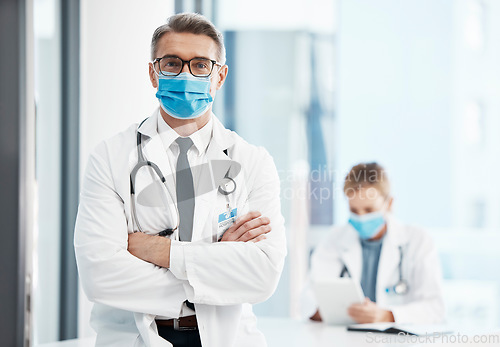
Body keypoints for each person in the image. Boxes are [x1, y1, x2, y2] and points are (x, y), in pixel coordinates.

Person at [74, 13, 286, 347]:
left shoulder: (252, 161)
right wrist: (216, 264)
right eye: (172, 63)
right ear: (153, 73)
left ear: (220, 77)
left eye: (201, 65)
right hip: (133, 337)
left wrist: (161, 251)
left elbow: (263, 275)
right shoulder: (111, 157)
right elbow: (100, 275)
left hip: (228, 337)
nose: (186, 74)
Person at [302, 162, 444, 324]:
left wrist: (388, 315)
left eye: (369, 210)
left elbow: (435, 308)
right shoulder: (335, 239)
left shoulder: (418, 240)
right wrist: (328, 310)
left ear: (389, 204)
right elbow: (308, 299)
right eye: (354, 211)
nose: (361, 217)